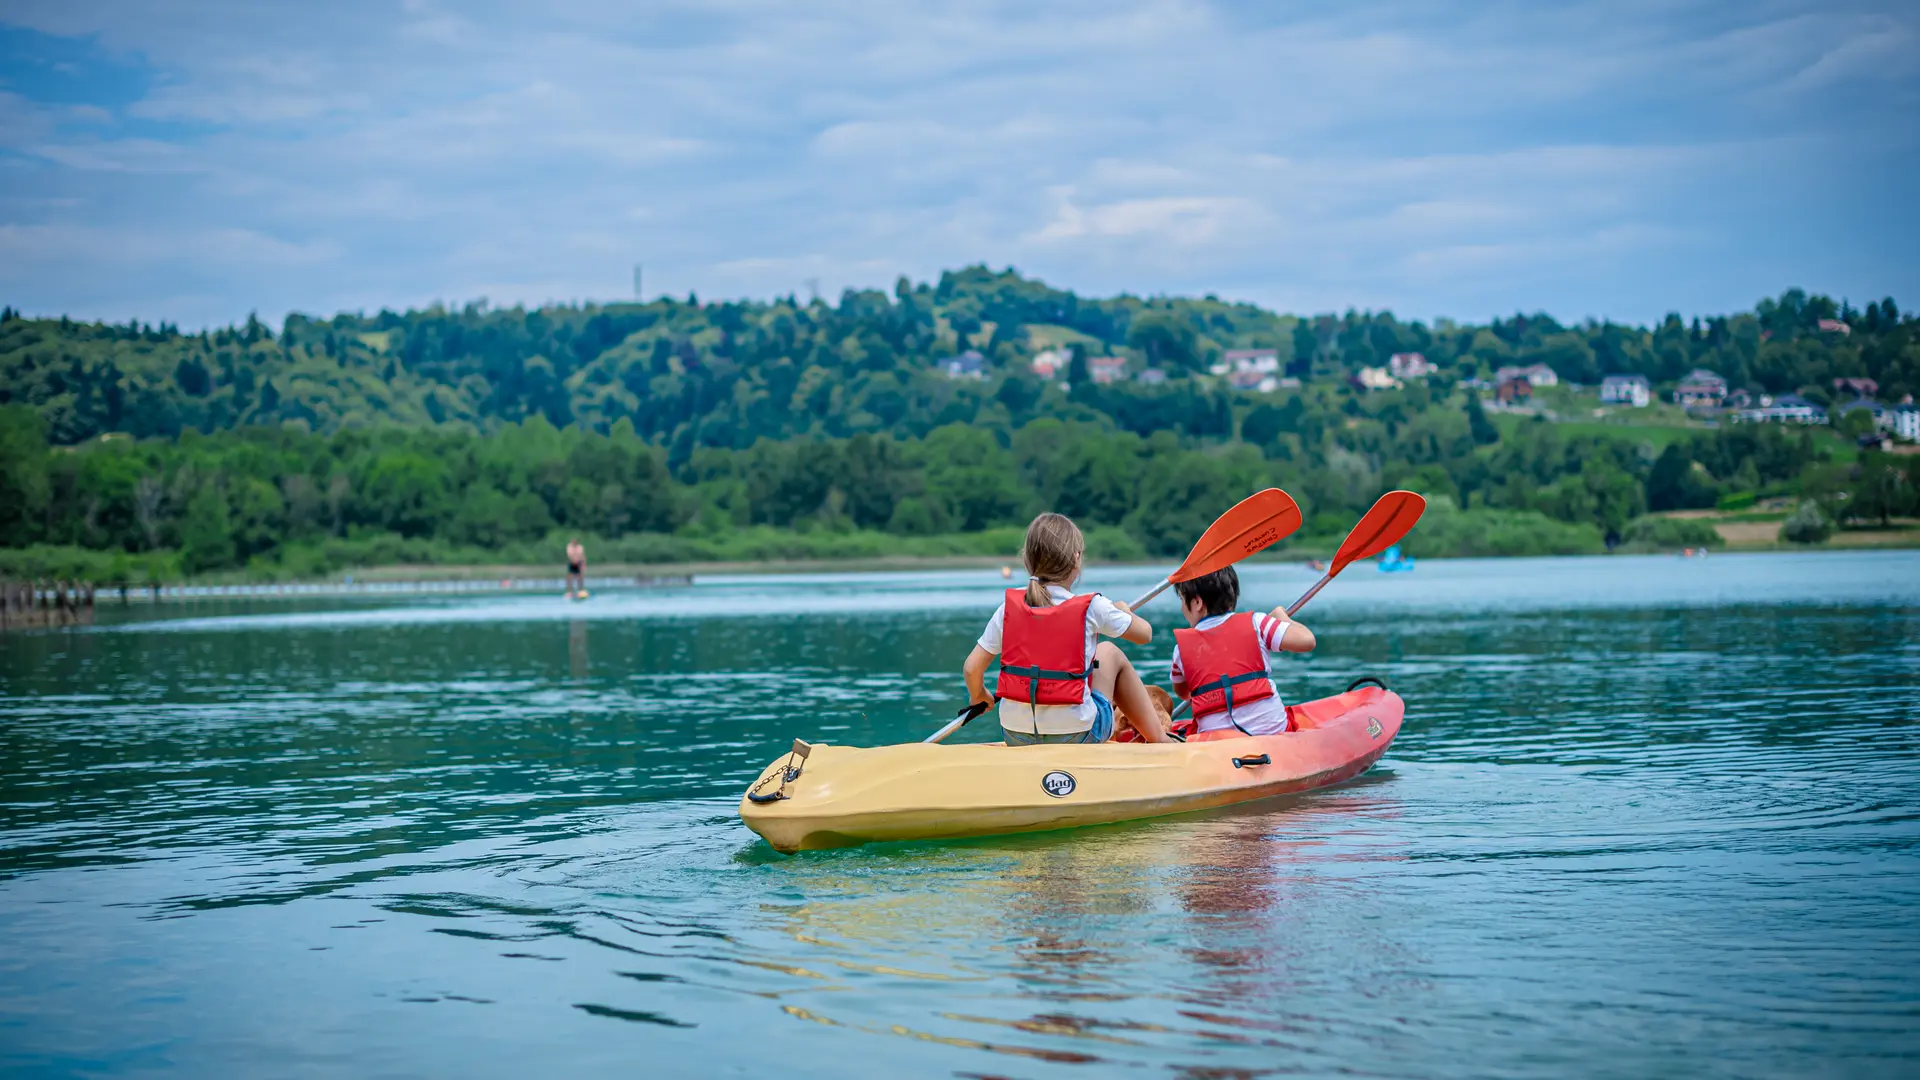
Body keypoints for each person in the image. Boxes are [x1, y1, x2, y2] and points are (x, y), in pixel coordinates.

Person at [962, 513, 1172, 744]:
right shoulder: (1093, 607)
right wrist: (1126, 612)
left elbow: (972, 669)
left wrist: (979, 695)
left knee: (1097, 659)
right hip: (1077, 736)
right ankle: (1160, 741)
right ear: (1076, 559)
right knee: (1109, 652)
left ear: (1027, 560)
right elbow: (1145, 635)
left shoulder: (1008, 609)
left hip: (1016, 735)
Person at [1169, 565, 1315, 737]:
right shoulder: (1258, 623)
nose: (1181, 609)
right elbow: (1307, 641)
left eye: (1182, 600)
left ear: (1197, 602)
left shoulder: (1180, 651)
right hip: (1272, 732)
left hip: (1215, 741)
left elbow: (1184, 693)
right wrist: (1282, 617)